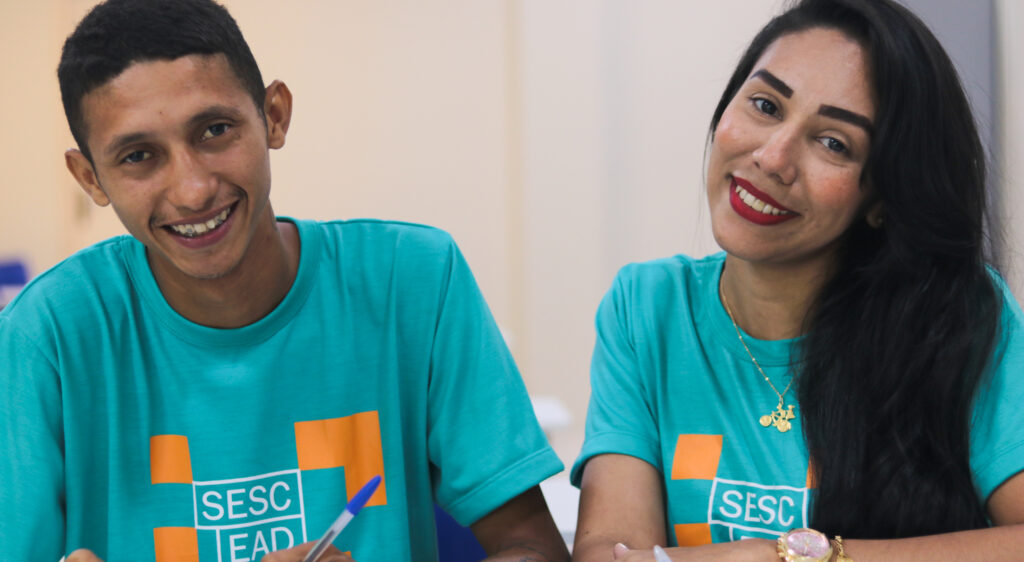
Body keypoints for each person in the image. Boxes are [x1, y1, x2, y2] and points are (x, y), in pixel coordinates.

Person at [0, 0, 569, 560]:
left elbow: (530, 546)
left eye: (215, 130)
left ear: (274, 115)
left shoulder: (413, 279)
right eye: (139, 156)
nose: (193, 189)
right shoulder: (45, 335)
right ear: (89, 177)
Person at [571, 0, 1024, 560]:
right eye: (765, 105)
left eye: (833, 143)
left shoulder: (959, 319)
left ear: (881, 200)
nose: (773, 157)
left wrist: (788, 556)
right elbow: (608, 553)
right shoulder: (648, 307)